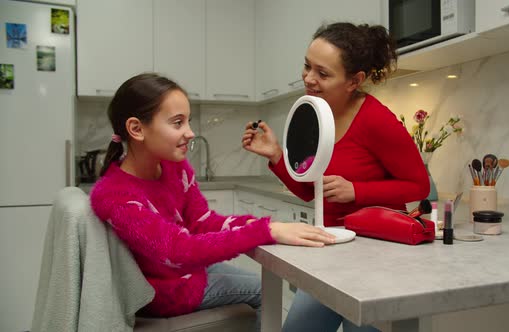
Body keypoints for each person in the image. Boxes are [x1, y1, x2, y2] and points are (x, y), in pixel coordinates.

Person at [89, 73, 336, 331]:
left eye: (188, 121)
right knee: (265, 292)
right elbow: (177, 250)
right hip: (165, 291)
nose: (190, 133)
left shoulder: (175, 167)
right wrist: (265, 231)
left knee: (260, 283)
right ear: (137, 129)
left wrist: (258, 225)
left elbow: (201, 222)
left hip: (186, 273)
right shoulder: (114, 195)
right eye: (177, 123)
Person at [242, 22, 429, 332]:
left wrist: (356, 191)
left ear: (354, 81)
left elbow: (418, 186)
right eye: (307, 66)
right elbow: (309, 191)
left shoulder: (376, 120)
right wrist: (276, 155)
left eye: (323, 73)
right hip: (330, 249)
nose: (308, 78)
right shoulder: (314, 113)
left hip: (372, 257)